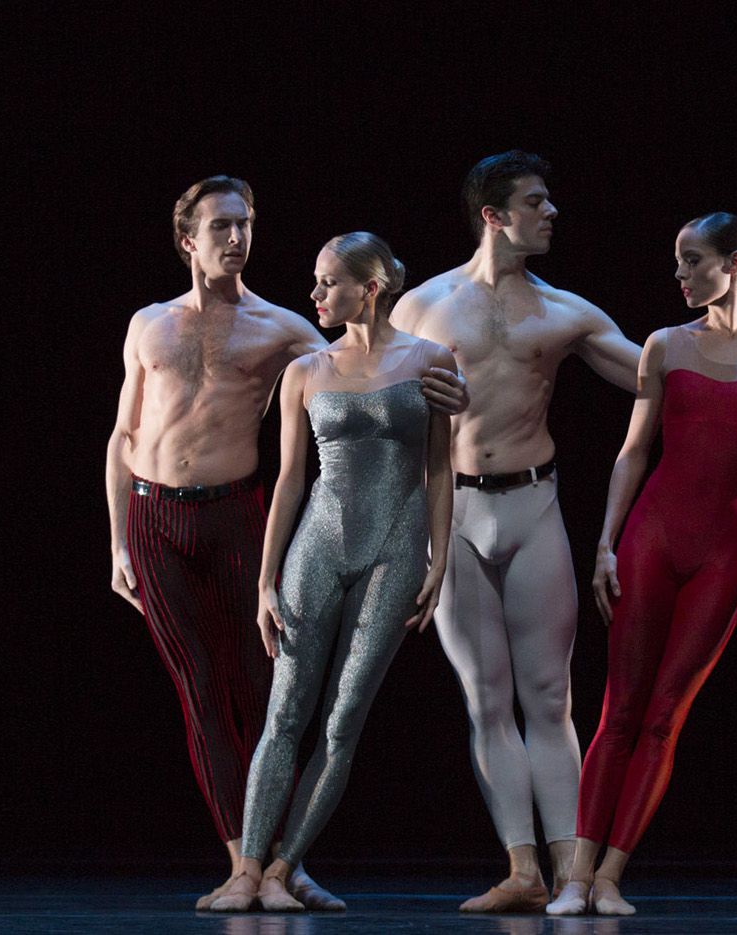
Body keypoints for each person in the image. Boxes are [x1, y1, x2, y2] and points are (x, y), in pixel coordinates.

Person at [106, 180, 465, 911]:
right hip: (155, 516)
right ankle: (247, 863)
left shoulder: (289, 333)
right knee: (212, 692)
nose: (237, 237)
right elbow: (124, 435)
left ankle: (279, 864)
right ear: (188, 239)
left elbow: (399, 406)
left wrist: (456, 405)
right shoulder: (150, 325)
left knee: (276, 693)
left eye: (244, 224)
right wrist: (117, 541)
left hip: (244, 512)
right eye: (221, 226)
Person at [388, 150, 642, 913]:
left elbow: (658, 376)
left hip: (532, 506)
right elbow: (361, 391)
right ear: (493, 215)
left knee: (548, 693)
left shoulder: (565, 310)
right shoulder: (422, 306)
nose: (551, 212)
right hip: (456, 513)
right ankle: (522, 869)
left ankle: (572, 872)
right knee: (486, 697)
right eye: (536, 201)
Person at [551, 213, 737, 917]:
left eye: (693, 260)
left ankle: (610, 878)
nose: (680, 274)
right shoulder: (665, 345)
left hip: (725, 553)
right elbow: (634, 450)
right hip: (654, 537)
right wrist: (605, 543)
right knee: (619, 707)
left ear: (735, 262)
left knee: (666, 714)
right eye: (678, 261)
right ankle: (575, 877)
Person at [210, 233, 456, 912]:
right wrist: (265, 580)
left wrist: (439, 556)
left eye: (328, 282)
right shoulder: (306, 370)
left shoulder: (430, 360)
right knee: (285, 710)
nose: (315, 293)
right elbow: (290, 479)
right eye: (316, 281)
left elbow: (439, 469)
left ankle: (282, 870)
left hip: (395, 549)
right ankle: (245, 871)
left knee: (343, 719)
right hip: (318, 544)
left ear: (369, 288)